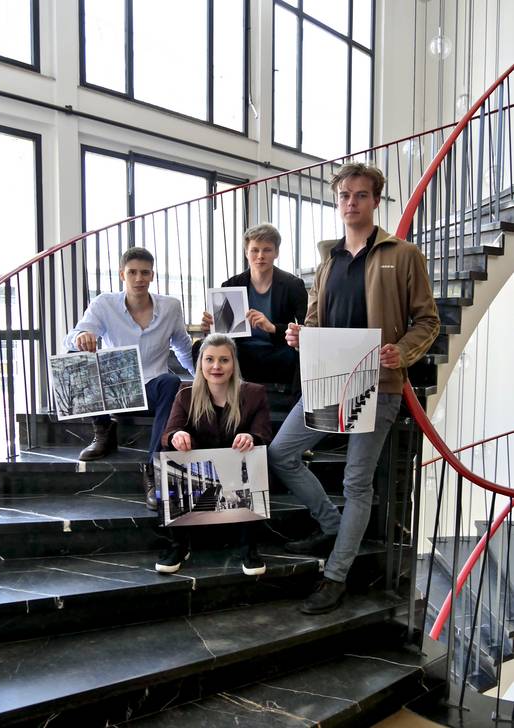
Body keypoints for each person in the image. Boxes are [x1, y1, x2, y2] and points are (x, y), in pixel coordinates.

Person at [268, 162, 440, 614]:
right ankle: (330, 523)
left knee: (356, 483)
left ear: (375, 201)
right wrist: (299, 335)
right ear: (337, 200)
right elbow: (314, 320)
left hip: (378, 385)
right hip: (329, 378)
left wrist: (401, 353)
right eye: (344, 195)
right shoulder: (329, 260)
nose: (351, 203)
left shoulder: (402, 254)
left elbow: (428, 320)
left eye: (360, 195)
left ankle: (335, 575)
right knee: (281, 452)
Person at [64, 247, 195, 511]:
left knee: (171, 382)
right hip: (117, 390)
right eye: (132, 272)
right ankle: (103, 431)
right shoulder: (104, 303)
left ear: (152, 275)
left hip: (153, 388)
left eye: (144, 272)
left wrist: (202, 378)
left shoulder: (170, 307)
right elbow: (73, 336)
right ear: (123, 274)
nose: (139, 278)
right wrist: (81, 338)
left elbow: (182, 346)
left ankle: (154, 468)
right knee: (77, 355)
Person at [155, 333, 272, 575]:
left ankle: (248, 546)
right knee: (169, 451)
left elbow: (263, 432)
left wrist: (252, 437)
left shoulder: (254, 393)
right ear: (200, 364)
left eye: (224, 360)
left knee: (255, 453)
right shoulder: (185, 394)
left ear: (234, 364)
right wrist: (177, 435)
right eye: (209, 359)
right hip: (199, 474)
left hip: (236, 473)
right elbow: (168, 432)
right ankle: (178, 544)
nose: (216, 366)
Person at [199, 223, 307, 389]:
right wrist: (211, 327)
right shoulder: (231, 284)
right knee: (200, 348)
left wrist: (272, 327)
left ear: (276, 253)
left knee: (295, 356)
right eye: (255, 250)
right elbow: (224, 332)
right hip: (240, 350)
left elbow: (305, 328)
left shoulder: (293, 285)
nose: (260, 256)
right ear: (246, 253)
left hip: (277, 350)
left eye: (267, 250)